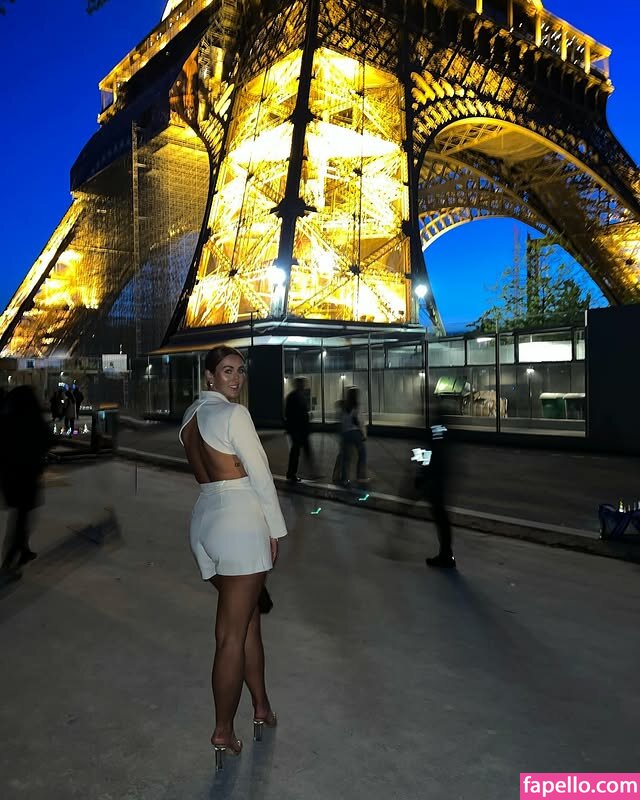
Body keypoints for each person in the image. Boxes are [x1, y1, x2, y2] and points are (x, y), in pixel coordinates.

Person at [179, 345, 287, 769]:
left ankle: (261, 706)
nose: (236, 379)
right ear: (209, 376)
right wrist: (275, 531)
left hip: (205, 522)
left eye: (240, 371)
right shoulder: (234, 415)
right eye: (227, 371)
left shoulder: (190, 416)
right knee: (230, 636)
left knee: (247, 622)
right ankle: (223, 730)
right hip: (239, 525)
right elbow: (260, 476)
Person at [0, 386, 52, 579]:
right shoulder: (32, 420)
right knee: (21, 521)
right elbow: (47, 439)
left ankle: (22, 550)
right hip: (27, 478)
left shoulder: (7, 419)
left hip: (11, 479)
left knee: (20, 517)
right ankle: (10, 562)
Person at [423, 399, 456, 569]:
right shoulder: (444, 427)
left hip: (436, 476)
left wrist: (422, 472)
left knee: (440, 516)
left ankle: (446, 555)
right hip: (441, 475)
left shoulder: (436, 427)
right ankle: (446, 553)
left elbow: (431, 451)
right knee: (441, 516)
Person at [284, 377, 314, 482]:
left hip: (300, 429)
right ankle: (292, 473)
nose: (304, 386)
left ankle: (295, 472)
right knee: (297, 452)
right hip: (298, 429)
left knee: (300, 451)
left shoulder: (296, 396)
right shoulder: (296, 396)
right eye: (302, 384)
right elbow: (291, 414)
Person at [339, 386, 368, 485]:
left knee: (346, 458)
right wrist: (364, 434)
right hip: (355, 433)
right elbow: (360, 421)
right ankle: (360, 477)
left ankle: (344, 479)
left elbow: (342, 421)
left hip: (345, 433)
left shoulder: (344, 406)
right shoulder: (357, 406)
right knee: (362, 454)